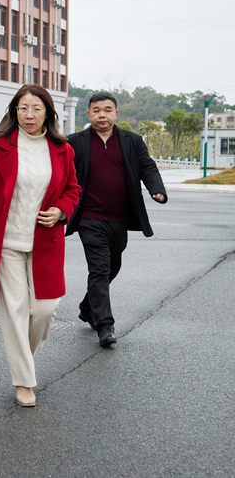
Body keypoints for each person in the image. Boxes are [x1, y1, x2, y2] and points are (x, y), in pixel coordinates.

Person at [0, 84, 80, 407]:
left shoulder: (63, 150)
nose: (29, 115)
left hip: (46, 242)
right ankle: (24, 381)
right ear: (14, 111)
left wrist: (61, 210)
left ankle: (22, 357)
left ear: (48, 113)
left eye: (36, 109)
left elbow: (73, 189)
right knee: (15, 310)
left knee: (44, 310)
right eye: (23, 108)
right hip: (7, 242)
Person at [66, 91, 167, 347]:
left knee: (113, 266)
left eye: (107, 110)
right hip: (89, 217)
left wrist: (156, 189)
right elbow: (60, 171)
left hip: (120, 218)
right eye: (97, 110)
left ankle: (88, 307)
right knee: (99, 268)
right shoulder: (74, 142)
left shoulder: (132, 141)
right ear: (89, 114)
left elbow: (147, 166)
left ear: (116, 113)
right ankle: (104, 325)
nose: (102, 115)